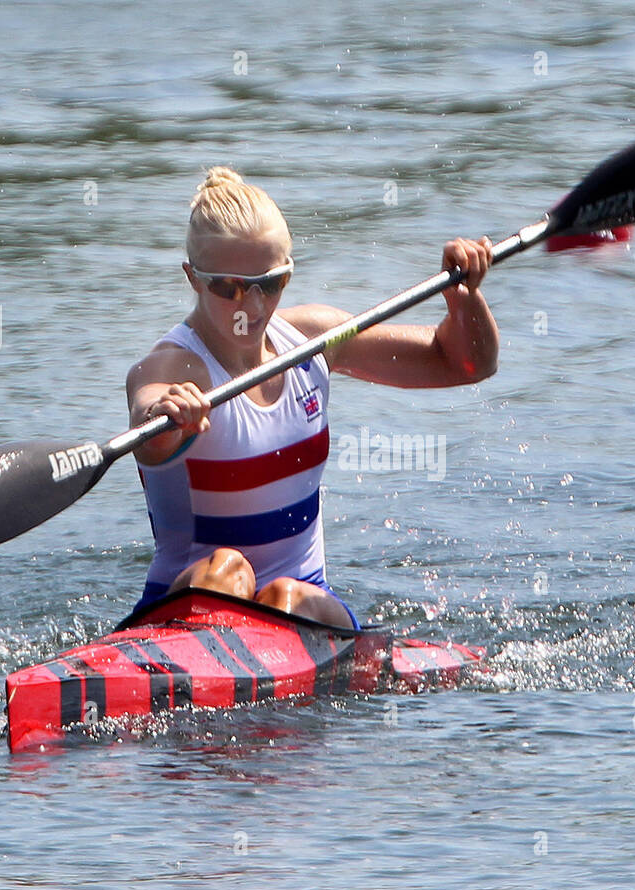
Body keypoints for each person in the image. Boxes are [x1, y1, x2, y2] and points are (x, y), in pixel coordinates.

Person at [126, 167, 497, 628]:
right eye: (231, 288)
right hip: (184, 612)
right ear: (193, 278)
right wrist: (166, 416)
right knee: (227, 570)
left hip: (302, 606)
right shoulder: (171, 368)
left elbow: (464, 363)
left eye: (271, 282)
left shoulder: (314, 340)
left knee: (283, 596)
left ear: (289, 273)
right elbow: (147, 429)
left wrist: (464, 297)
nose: (254, 307)